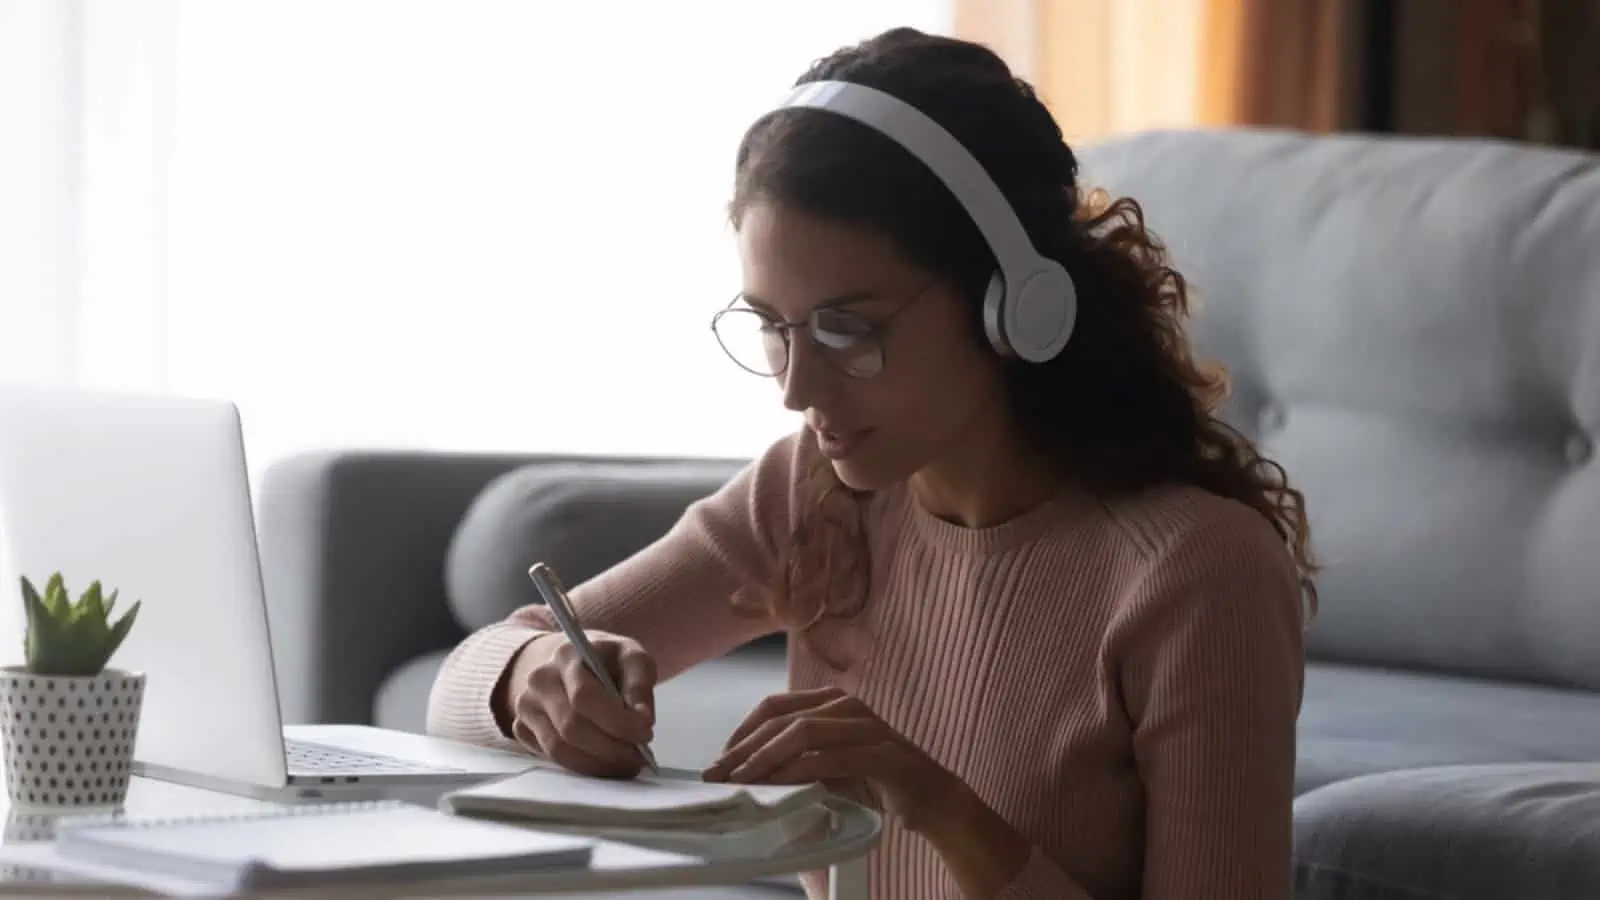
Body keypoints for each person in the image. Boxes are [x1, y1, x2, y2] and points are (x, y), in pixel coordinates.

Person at [426, 26, 1315, 900]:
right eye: (775, 328)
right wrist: (530, 682)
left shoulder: (1199, 576)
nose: (796, 389)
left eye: (849, 329)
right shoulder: (807, 494)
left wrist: (938, 805)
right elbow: (458, 691)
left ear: (1014, 306)